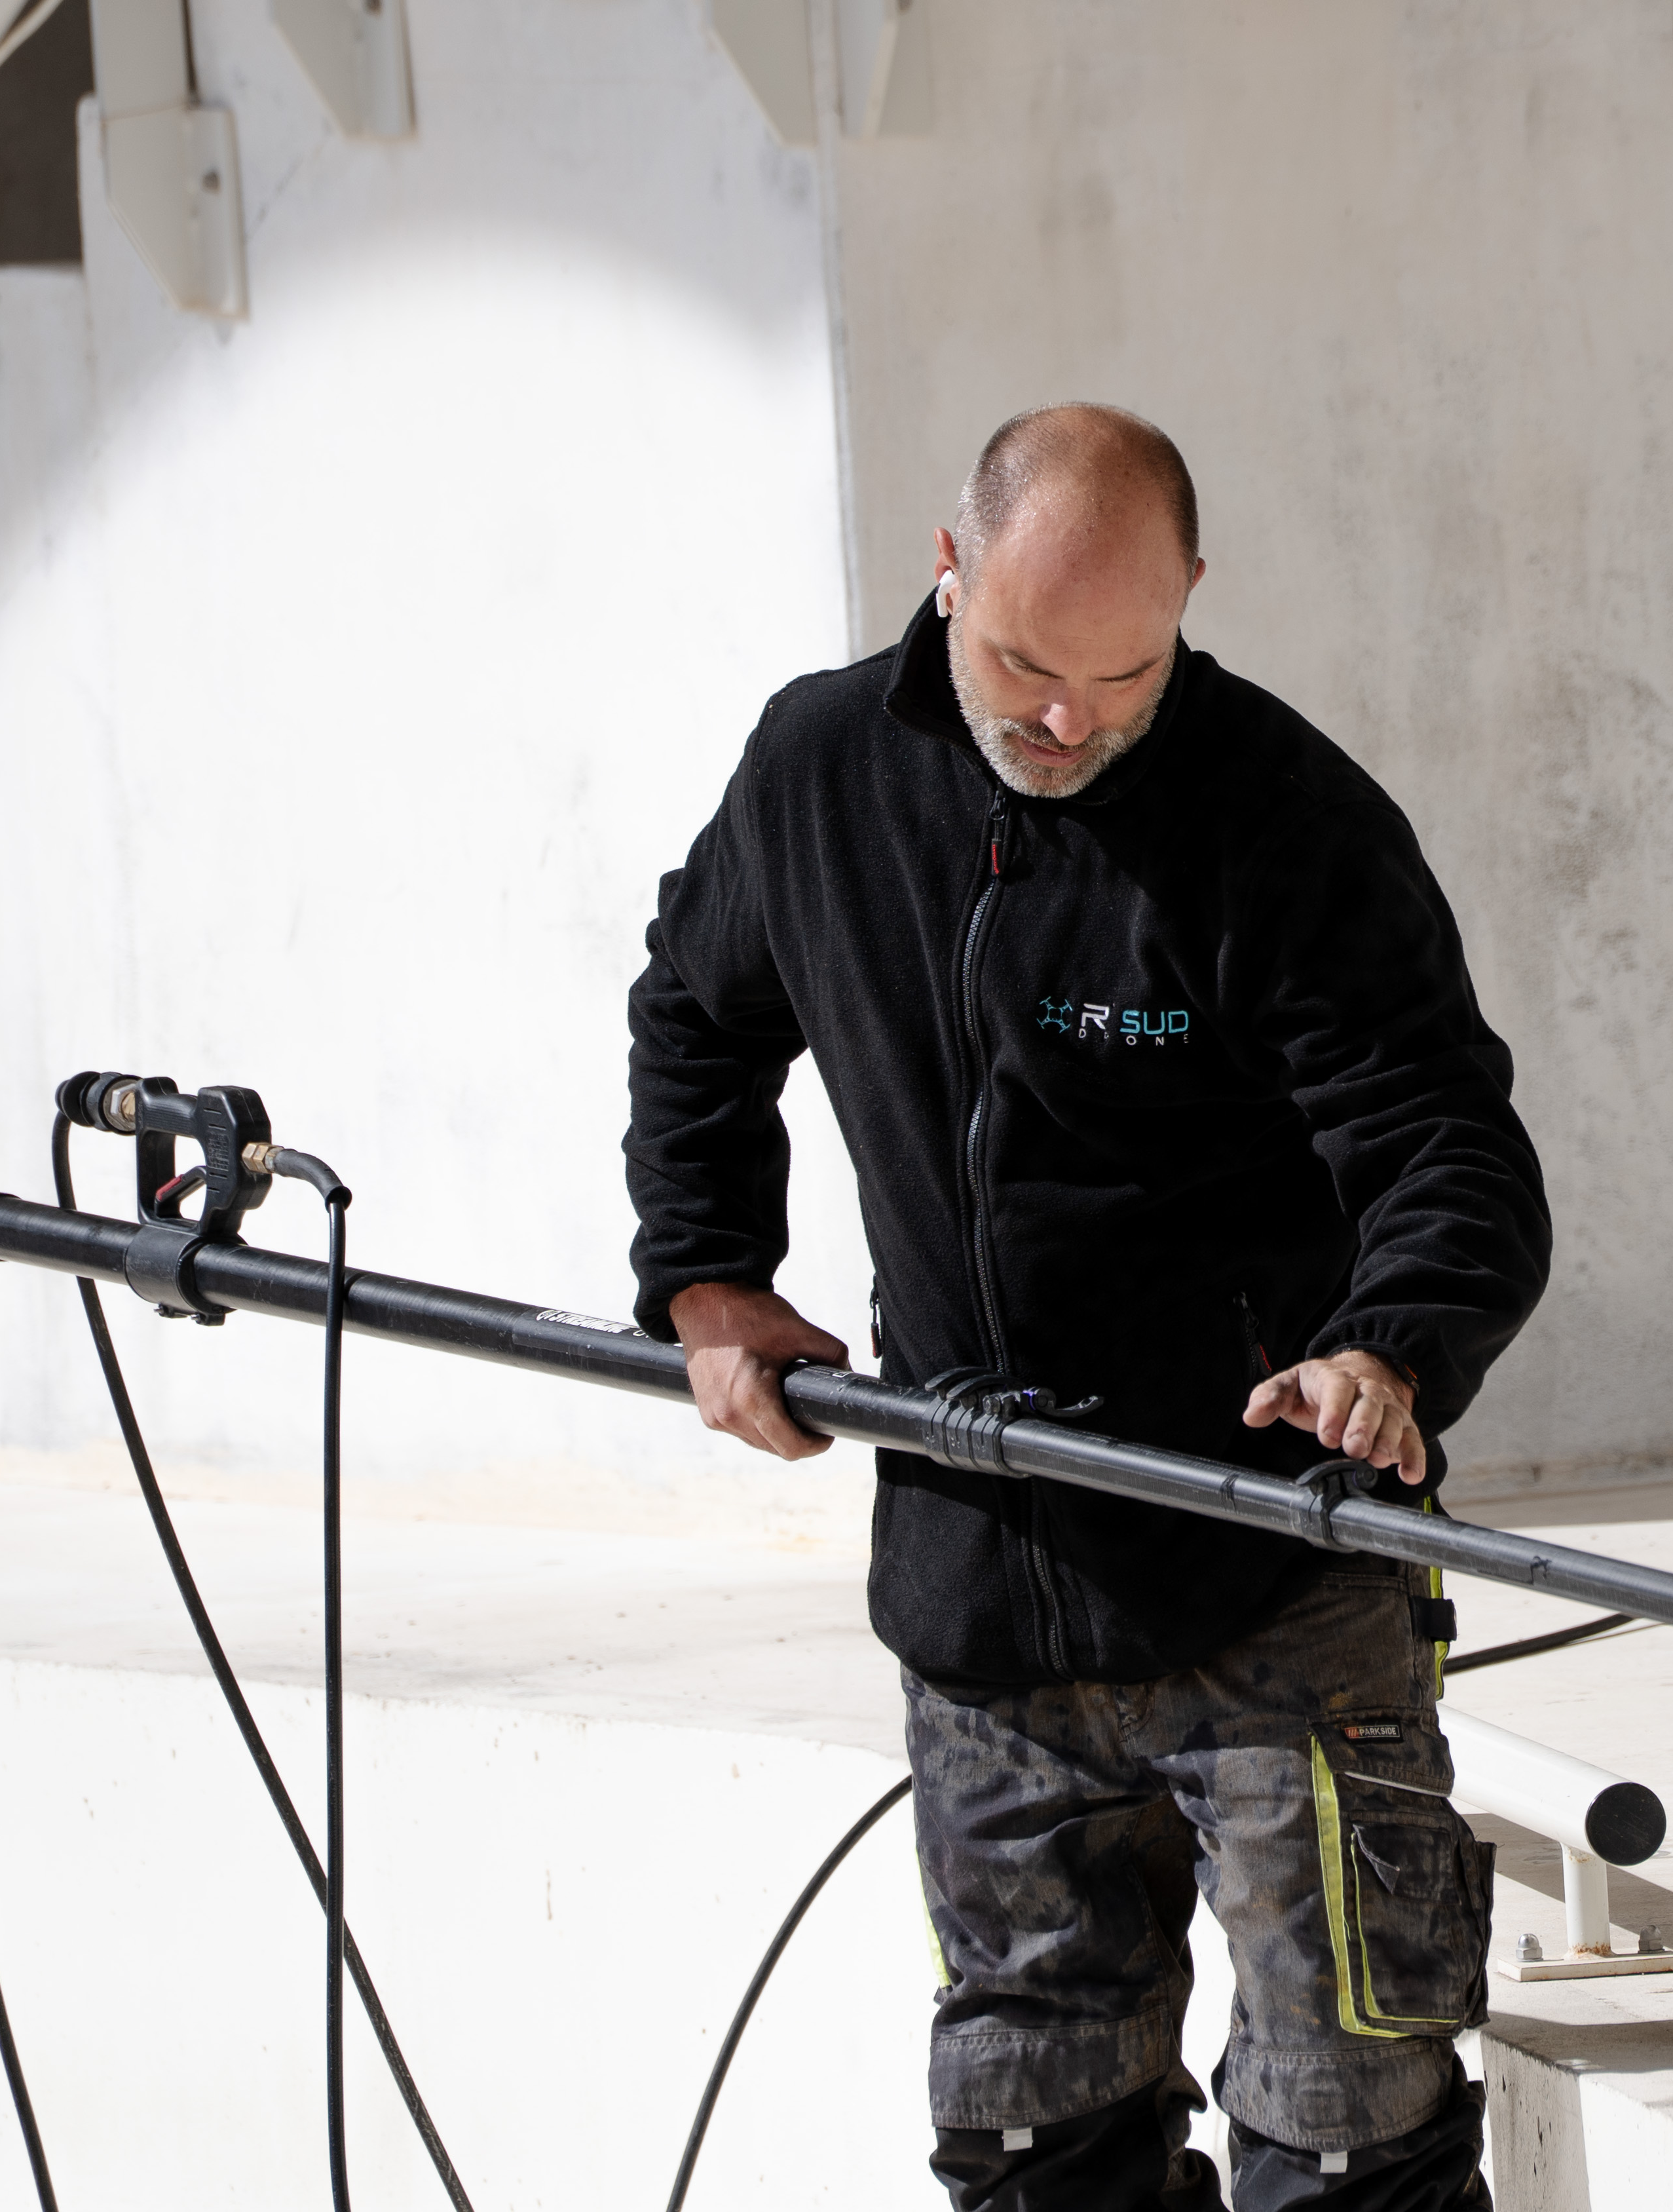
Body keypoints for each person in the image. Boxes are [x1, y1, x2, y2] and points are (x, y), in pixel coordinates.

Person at [625, 403, 1549, 2211]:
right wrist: (709, 1274)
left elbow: (1445, 1141)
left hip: (1274, 1584)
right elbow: (698, 1013)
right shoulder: (818, 776)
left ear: (1192, 599)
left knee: (1351, 2147)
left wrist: (1394, 1350)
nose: (1067, 723)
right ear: (946, 568)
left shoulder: (1285, 823)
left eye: (1124, 677)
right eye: (1026, 667)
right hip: (983, 1604)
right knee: (1037, 2150)